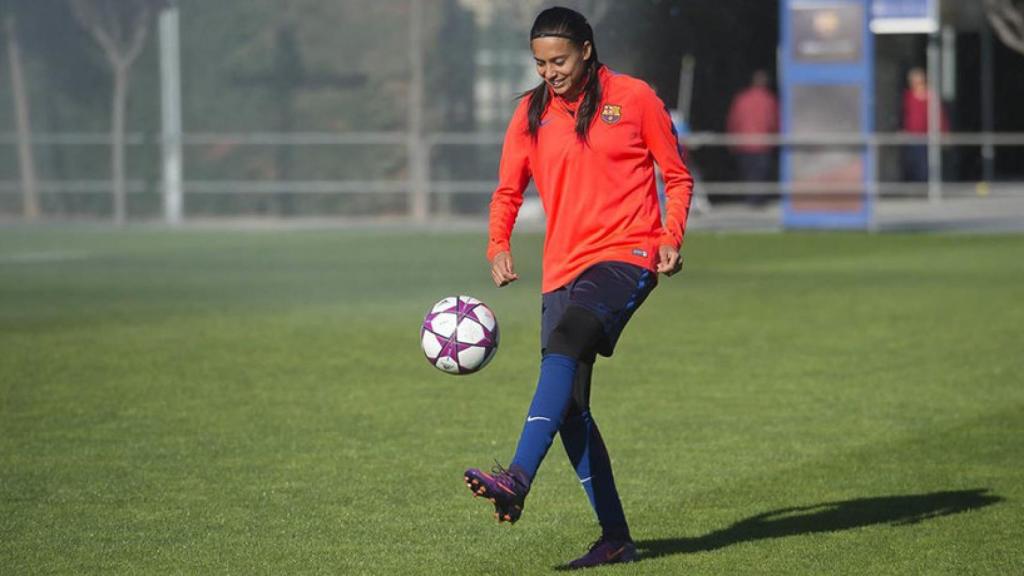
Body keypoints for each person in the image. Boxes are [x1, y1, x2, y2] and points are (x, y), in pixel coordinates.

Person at [462, 7, 693, 570]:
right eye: (540, 63)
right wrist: (498, 245)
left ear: (587, 50)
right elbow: (507, 191)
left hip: (627, 255)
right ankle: (616, 539)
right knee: (569, 408)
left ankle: (517, 478)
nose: (550, 72)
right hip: (561, 268)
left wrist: (670, 235)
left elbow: (676, 175)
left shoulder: (635, 98)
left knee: (566, 343)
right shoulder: (530, 112)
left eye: (559, 61)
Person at [725, 70, 779, 206]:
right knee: (760, 174)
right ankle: (757, 200)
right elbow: (773, 122)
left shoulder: (741, 99)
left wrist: (732, 142)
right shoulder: (769, 100)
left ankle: (750, 199)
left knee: (748, 172)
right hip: (763, 144)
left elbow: (733, 121)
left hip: (744, 144)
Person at [902, 67, 949, 183]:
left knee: (926, 168)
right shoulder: (908, 96)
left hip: (928, 138)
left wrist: (943, 133)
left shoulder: (931, 96)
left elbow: (939, 116)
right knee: (912, 166)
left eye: (920, 82)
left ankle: (927, 189)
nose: (917, 85)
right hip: (911, 138)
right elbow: (903, 115)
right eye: (914, 82)